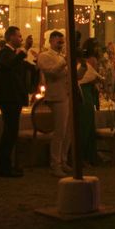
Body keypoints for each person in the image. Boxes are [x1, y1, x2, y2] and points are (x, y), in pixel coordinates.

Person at [37, 30, 85, 177]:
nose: (61, 44)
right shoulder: (44, 56)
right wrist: (66, 60)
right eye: (59, 41)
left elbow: (75, 77)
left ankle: (63, 160)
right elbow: (51, 73)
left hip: (69, 95)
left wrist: (83, 65)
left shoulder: (63, 57)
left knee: (69, 131)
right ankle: (55, 164)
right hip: (57, 96)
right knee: (60, 131)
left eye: (63, 41)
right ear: (51, 41)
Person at [0, 26, 36, 178]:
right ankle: (4, 168)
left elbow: (23, 67)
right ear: (11, 37)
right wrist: (25, 48)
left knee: (12, 133)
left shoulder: (12, 54)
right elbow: (11, 64)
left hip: (15, 98)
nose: (21, 38)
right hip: (9, 99)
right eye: (19, 36)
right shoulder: (4, 54)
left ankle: (9, 165)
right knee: (9, 132)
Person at [78, 38, 103, 166]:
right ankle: (85, 156)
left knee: (85, 123)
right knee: (86, 125)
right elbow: (92, 78)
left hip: (84, 90)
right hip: (86, 91)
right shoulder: (93, 60)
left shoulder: (82, 60)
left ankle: (86, 155)